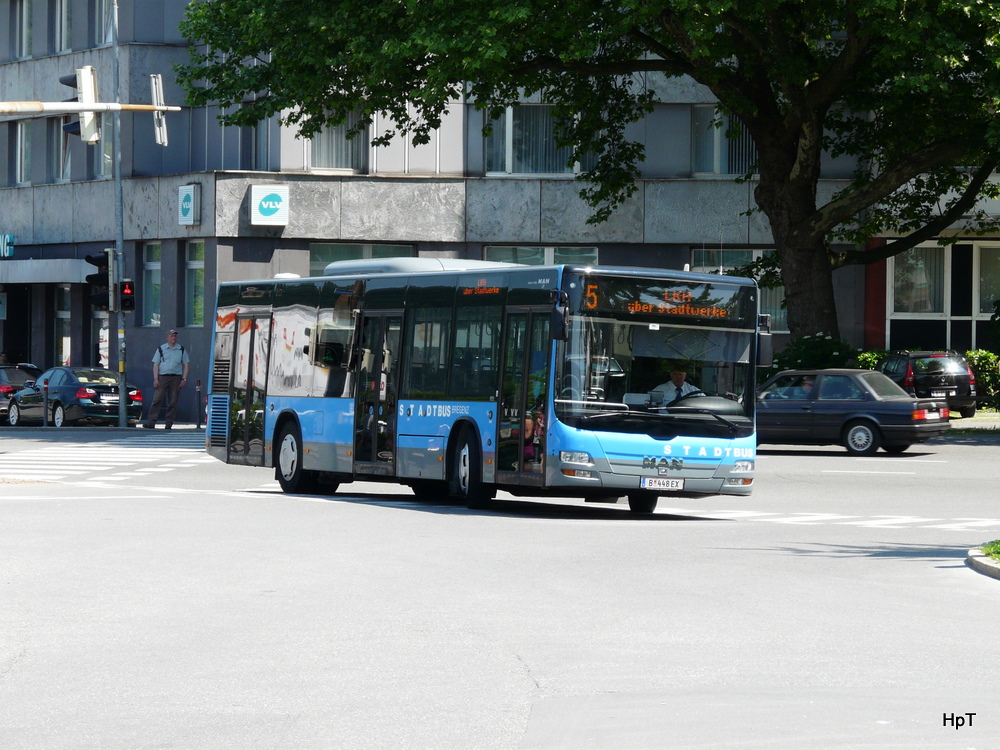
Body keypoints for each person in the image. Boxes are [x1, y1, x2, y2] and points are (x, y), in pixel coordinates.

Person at [142, 329, 190, 429]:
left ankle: (169, 423)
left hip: (176, 378)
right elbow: (156, 364)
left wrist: (184, 379)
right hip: (162, 376)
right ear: (167, 337)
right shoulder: (161, 349)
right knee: (157, 399)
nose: (174, 338)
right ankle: (151, 422)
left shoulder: (181, 349)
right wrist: (156, 378)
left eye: (175, 336)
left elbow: (186, 365)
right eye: (171, 336)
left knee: (173, 401)